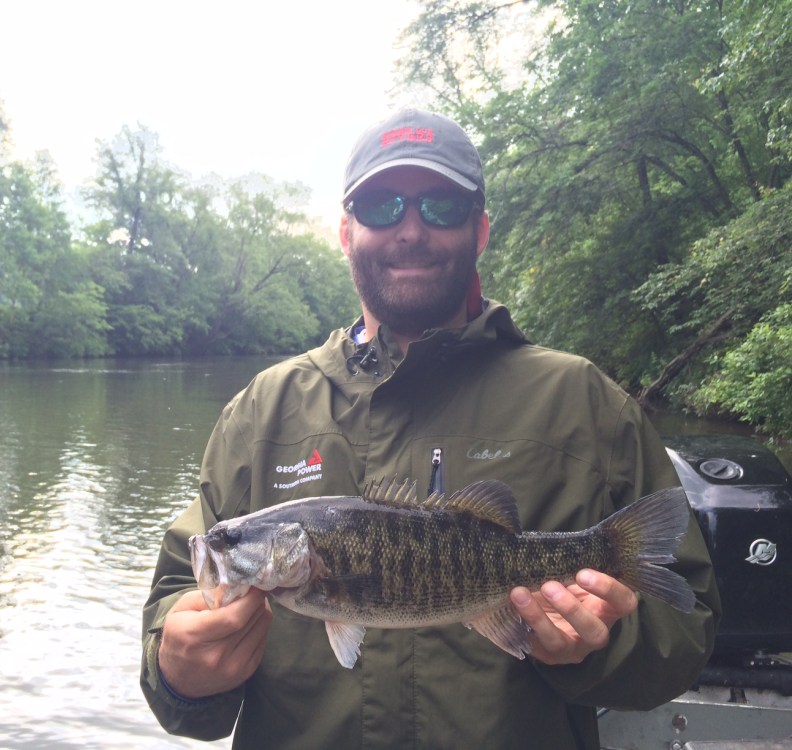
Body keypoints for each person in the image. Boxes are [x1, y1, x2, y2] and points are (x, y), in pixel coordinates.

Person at [141, 109, 720, 748]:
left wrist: (598, 648)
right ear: (346, 231)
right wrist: (179, 673)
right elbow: (177, 627)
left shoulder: (584, 403)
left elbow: (685, 632)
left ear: (480, 229)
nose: (411, 229)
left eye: (441, 206)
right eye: (381, 205)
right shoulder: (260, 412)